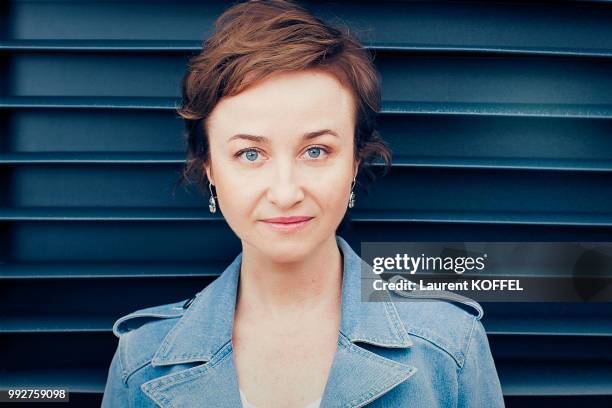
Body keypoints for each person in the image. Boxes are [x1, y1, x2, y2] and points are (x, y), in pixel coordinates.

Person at [101, 0, 505, 407]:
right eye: (250, 154)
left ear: (354, 163)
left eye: (315, 151)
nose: (285, 192)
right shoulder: (142, 359)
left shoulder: (451, 346)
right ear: (209, 168)